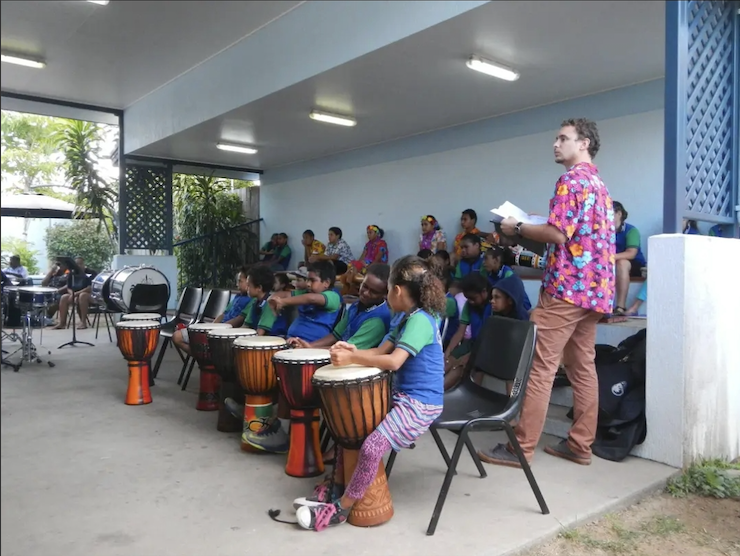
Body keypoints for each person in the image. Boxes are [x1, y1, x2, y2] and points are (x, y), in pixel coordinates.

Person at [479, 118, 615, 468]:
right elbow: (575, 230)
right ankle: (581, 445)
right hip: (593, 291)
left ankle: (520, 448)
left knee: (541, 368)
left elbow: (557, 235)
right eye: (555, 138)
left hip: (566, 289)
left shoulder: (570, 180)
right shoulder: (598, 184)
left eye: (563, 138)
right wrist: (538, 221)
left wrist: (517, 226)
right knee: (583, 367)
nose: (556, 144)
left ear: (583, 143)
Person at [294, 255, 446, 531]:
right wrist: (352, 351)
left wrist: (352, 360)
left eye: (387, 289)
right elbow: (378, 352)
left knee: (372, 446)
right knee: (349, 431)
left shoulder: (421, 321)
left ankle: (344, 506)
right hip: (400, 396)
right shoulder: (402, 317)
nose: (387, 294)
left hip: (421, 404)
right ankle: (336, 486)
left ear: (397, 291)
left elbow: (393, 362)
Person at [289, 263, 391, 350]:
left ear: (384, 295)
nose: (366, 293)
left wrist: (311, 349)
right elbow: (336, 335)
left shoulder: (377, 321)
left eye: (374, 292)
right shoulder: (357, 305)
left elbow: (346, 351)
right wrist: (309, 346)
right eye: (364, 286)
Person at [172, 267, 253, 355]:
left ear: (249, 282)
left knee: (178, 337)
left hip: (225, 333)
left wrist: (221, 329)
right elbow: (223, 314)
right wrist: (212, 327)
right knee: (177, 336)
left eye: (240, 281)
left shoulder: (252, 301)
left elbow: (239, 319)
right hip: (219, 329)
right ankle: (203, 357)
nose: (237, 284)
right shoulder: (237, 297)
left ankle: (205, 358)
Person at [269, 261, 342, 344]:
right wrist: (273, 299)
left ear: (326, 283)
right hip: (292, 341)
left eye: (312, 280)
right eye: (307, 279)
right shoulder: (306, 292)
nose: (308, 284)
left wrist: (283, 302)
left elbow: (311, 299)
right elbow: (284, 294)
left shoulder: (333, 296)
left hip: (312, 346)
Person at [443, 273, 491, 391]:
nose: (471, 302)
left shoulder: (492, 306)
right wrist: (448, 351)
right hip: (473, 342)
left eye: (473, 298)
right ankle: (431, 387)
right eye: (467, 298)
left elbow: (490, 340)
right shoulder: (469, 305)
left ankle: (439, 391)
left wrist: (468, 356)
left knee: (461, 365)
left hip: (488, 346)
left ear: (484, 292)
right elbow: (460, 331)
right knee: (449, 360)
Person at [613, 201, 646, 314]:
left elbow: (631, 253)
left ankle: (620, 307)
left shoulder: (631, 230)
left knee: (622, 263)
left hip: (634, 265)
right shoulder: (602, 231)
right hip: (611, 264)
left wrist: (609, 257)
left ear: (619, 214)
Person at [341, 225, 388, 295]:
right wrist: (357, 263)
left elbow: (377, 259)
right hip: (365, 264)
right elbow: (362, 256)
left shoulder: (382, 244)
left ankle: (349, 287)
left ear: (376, 233)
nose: (368, 235)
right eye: (367, 233)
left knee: (354, 269)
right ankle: (351, 286)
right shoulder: (368, 244)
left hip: (377, 265)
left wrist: (368, 267)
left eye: (370, 233)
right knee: (352, 264)